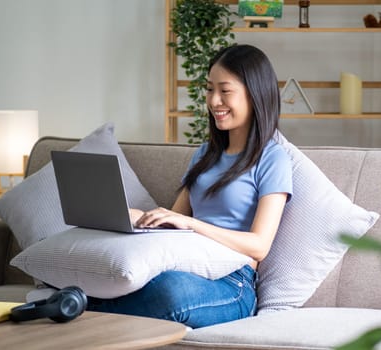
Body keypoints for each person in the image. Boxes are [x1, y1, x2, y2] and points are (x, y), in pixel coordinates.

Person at [86, 44, 293, 328]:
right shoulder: (205, 154)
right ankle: (80, 304)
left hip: (233, 283)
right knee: (116, 267)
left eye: (225, 90)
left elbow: (259, 246)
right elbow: (172, 222)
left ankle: (82, 311)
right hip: (189, 264)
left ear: (254, 93)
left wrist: (192, 224)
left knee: (171, 291)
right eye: (209, 90)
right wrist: (128, 216)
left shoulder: (272, 158)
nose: (214, 100)